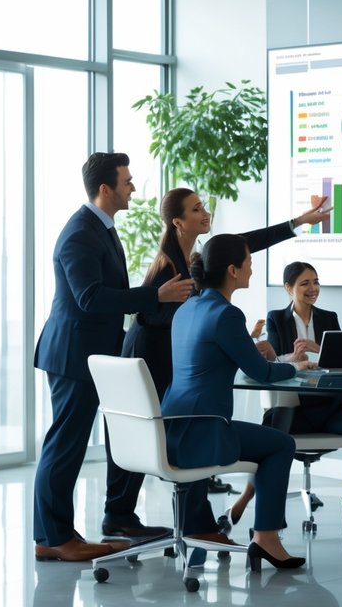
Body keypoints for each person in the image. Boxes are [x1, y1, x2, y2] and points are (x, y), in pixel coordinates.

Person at [120, 188, 329, 507]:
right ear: (177, 222)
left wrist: (297, 222)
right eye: (196, 209)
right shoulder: (176, 273)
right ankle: (262, 528)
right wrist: (291, 365)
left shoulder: (193, 295)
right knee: (279, 444)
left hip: (174, 406)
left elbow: (244, 243)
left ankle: (196, 523)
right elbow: (147, 315)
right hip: (153, 359)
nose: (206, 213)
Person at [33, 152, 194, 562]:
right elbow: (89, 298)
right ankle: (53, 537)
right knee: (64, 446)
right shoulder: (80, 233)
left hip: (91, 354)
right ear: (105, 189)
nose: (133, 188)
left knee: (69, 445)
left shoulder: (100, 228)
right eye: (127, 182)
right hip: (73, 355)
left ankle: (60, 533)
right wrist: (155, 295)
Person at [161, 233, 317, 570]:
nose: (251, 268)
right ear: (233, 270)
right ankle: (266, 537)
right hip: (205, 430)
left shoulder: (187, 308)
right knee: (281, 444)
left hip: (170, 427)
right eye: (248, 262)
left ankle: (200, 534)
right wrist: (295, 366)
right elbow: (262, 372)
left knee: (269, 440)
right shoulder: (226, 314)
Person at [237, 261, 342, 532]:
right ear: (288, 288)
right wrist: (295, 359)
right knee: (270, 429)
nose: (313, 288)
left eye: (316, 282)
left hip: (330, 409)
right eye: (305, 283)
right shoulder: (277, 318)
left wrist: (340, 356)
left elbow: (340, 362)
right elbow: (273, 364)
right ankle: (255, 499)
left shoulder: (329, 318)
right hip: (295, 411)